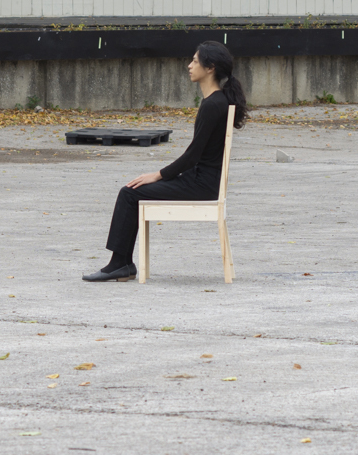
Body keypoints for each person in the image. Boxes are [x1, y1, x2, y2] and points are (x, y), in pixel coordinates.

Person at [84, 40, 248, 282]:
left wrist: (158, 174)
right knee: (132, 191)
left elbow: (192, 156)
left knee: (129, 193)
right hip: (203, 181)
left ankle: (120, 264)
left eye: (194, 60)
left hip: (201, 184)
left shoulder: (213, 104)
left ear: (210, 67)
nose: (189, 66)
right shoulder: (219, 101)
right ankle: (122, 263)